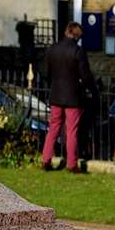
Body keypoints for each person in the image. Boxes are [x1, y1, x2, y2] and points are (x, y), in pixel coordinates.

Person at [41, 21, 94, 172]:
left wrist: (53, 84)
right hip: (73, 97)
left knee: (53, 128)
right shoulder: (78, 51)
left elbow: (45, 73)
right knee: (71, 130)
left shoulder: (52, 49)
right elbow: (86, 76)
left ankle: (46, 160)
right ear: (77, 36)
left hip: (56, 95)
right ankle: (71, 164)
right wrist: (87, 88)